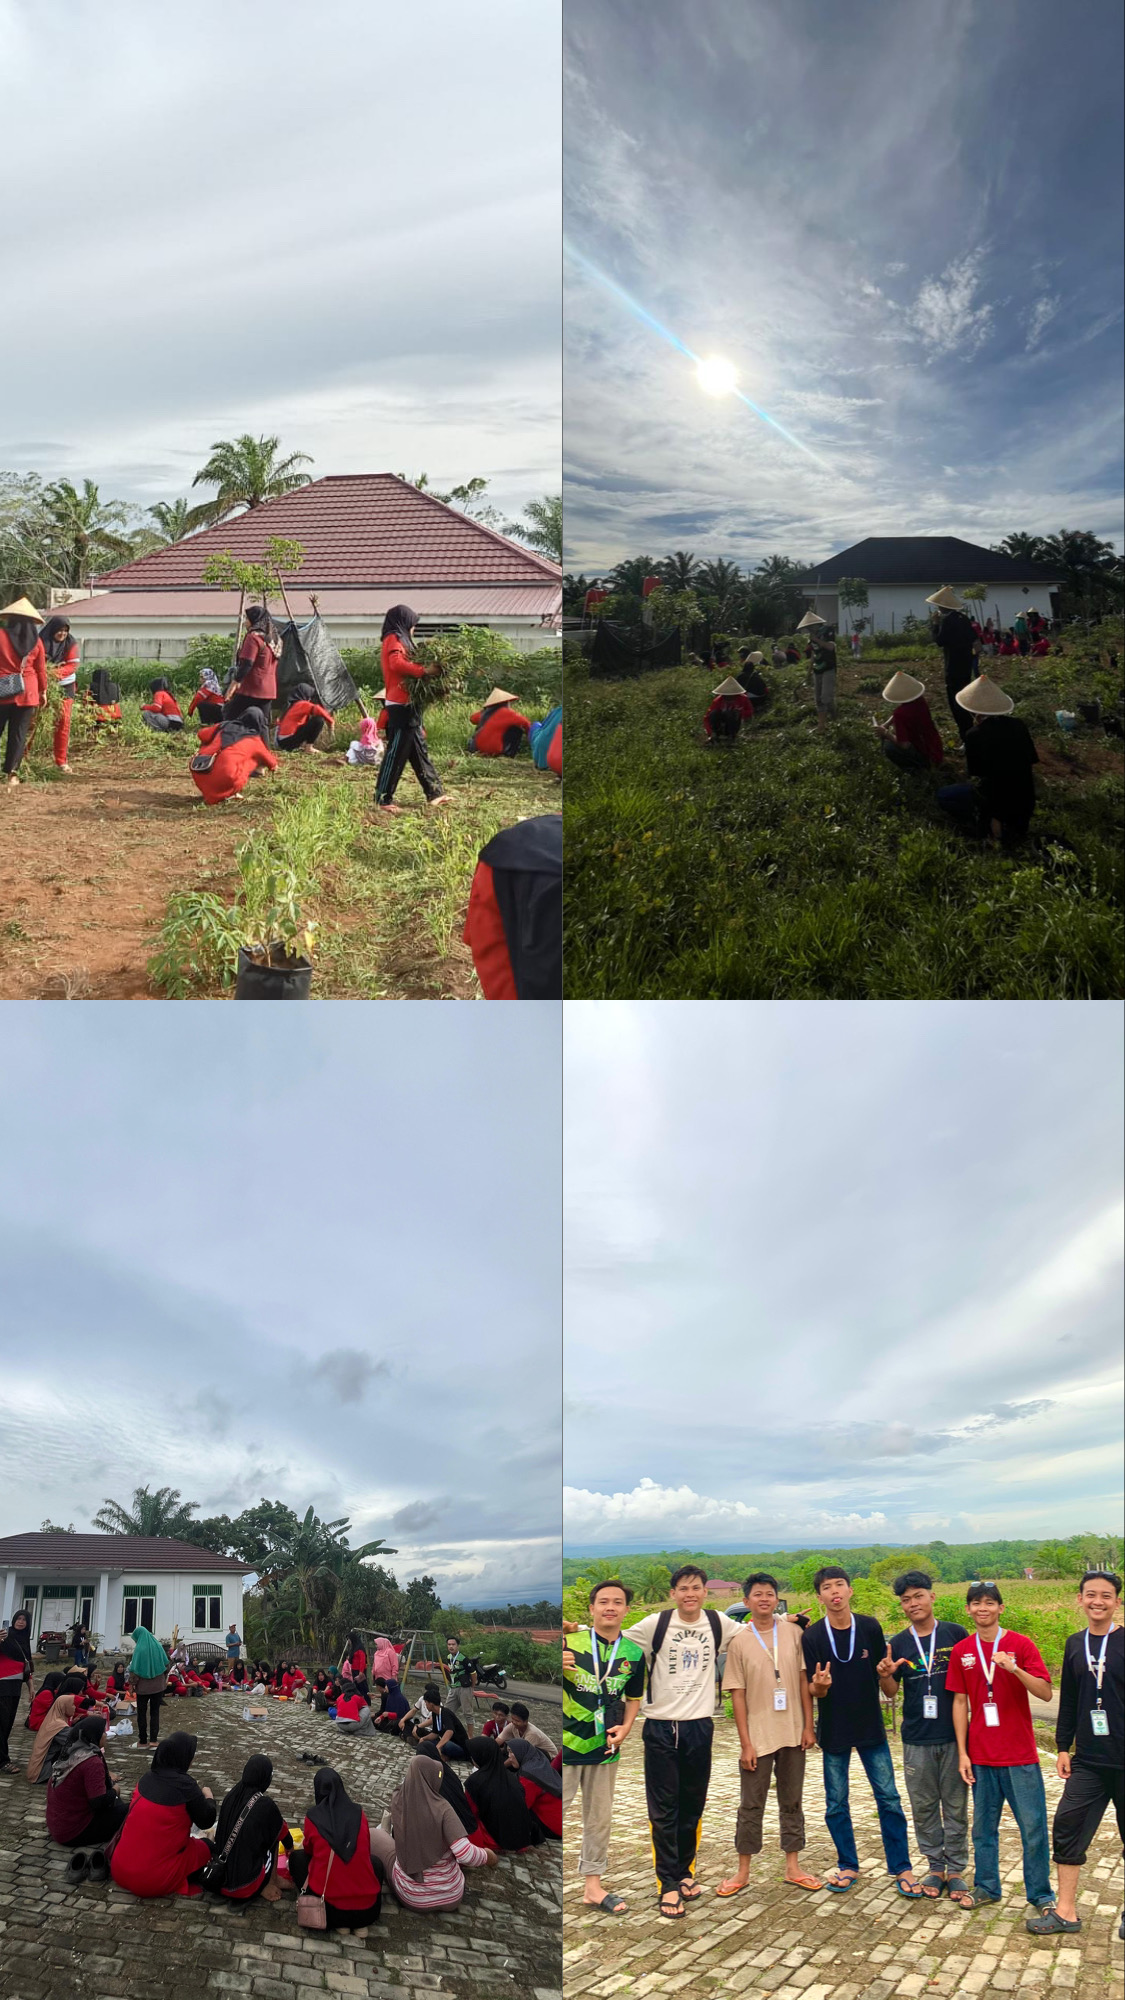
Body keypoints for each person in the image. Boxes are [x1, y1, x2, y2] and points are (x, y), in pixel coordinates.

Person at [624, 1564, 746, 1919]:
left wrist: (792, 1625)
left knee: (692, 1805)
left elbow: (756, 1633)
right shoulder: (655, 1625)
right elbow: (614, 1640)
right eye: (682, 1588)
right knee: (664, 1811)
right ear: (673, 1593)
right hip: (661, 1728)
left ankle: (685, 1872)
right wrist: (575, 1637)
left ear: (705, 1591)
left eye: (696, 1587)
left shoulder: (718, 1623)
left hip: (699, 1726)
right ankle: (668, 1885)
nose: (689, 1593)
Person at [801, 1566, 918, 1895]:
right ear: (819, 1596)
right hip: (834, 1731)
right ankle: (848, 1864)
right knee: (836, 1803)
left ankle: (902, 1867)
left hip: (870, 1728)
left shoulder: (869, 1627)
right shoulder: (812, 1637)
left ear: (850, 1590)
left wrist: (885, 1674)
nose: (835, 1591)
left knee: (889, 1799)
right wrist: (819, 1686)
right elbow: (814, 1691)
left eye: (840, 1585)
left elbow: (890, 1689)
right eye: (827, 1587)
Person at [946, 1581, 1054, 1914]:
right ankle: (988, 1887)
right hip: (981, 1756)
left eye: (990, 1603)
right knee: (983, 1830)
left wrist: (1014, 1668)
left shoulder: (1020, 1645)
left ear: (1000, 1608)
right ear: (968, 1609)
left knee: (1033, 1828)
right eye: (976, 1603)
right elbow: (960, 1702)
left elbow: (1046, 1693)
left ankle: (1041, 1894)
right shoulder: (963, 1650)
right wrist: (963, 1753)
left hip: (1020, 1755)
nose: (983, 1608)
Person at [1027, 1571, 1123, 1936]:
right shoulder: (1073, 1643)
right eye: (1090, 1594)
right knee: (1067, 1825)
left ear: (1117, 1601)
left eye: (1106, 1595)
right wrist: (1063, 1746)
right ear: (1080, 1599)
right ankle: (1066, 1912)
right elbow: (1069, 1701)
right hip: (1089, 1761)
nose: (1097, 1601)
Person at [717, 1573, 821, 1898]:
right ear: (746, 1602)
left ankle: (793, 1867)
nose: (764, 1599)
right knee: (751, 1805)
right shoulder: (740, 1641)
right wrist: (745, 1743)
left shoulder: (794, 1633)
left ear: (777, 1599)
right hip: (758, 1738)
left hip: (793, 1733)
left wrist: (808, 1725)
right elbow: (736, 1694)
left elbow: (805, 1682)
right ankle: (742, 1871)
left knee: (792, 1802)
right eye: (757, 1595)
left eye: (770, 1594)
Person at [877, 1571, 971, 1902]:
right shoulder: (899, 1642)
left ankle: (957, 1869)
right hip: (916, 1736)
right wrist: (885, 1676)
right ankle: (935, 1866)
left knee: (956, 1805)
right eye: (906, 1599)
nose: (913, 1603)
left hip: (953, 1736)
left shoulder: (955, 1633)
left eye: (918, 1596)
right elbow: (891, 1691)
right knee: (924, 1806)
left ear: (932, 1597)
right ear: (901, 1606)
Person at [562, 1577, 646, 1916]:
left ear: (626, 1609)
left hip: (606, 1747)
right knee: (555, 1809)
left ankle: (593, 1886)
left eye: (617, 1602)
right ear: (592, 1608)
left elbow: (633, 1699)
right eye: (603, 1602)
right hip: (567, 1745)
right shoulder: (569, 1643)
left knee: (599, 1819)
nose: (610, 1607)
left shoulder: (634, 1654)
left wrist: (626, 1728)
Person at [370, 1752, 497, 1910]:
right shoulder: (443, 1809)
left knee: (374, 1835)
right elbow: (465, 1854)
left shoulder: (398, 1799)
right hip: (450, 1894)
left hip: (413, 1896)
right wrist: (488, 1856)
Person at [109, 1731, 216, 1898]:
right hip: (154, 1879)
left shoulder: (147, 1778)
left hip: (120, 1867)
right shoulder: (186, 1786)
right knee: (208, 1847)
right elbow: (206, 1820)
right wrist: (209, 1798)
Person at [937, 675, 1039, 844]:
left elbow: (978, 775)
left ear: (973, 709)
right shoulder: (1019, 724)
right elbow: (1031, 760)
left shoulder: (974, 735)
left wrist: (994, 814)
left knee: (943, 795)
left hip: (997, 801)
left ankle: (982, 822)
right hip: (1025, 800)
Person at [373, 604, 448, 813]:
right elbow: (396, 664)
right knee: (396, 753)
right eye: (413, 625)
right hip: (400, 704)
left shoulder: (402, 640)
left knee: (418, 750)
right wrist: (424, 671)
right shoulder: (393, 639)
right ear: (404, 622)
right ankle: (383, 798)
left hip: (409, 703)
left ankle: (435, 792)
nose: (413, 629)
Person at [289, 1767, 381, 1934]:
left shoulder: (313, 1817)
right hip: (368, 1911)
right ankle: (359, 1926)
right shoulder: (359, 1814)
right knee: (376, 1863)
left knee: (297, 1859)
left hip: (328, 1909)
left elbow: (309, 1850)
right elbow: (365, 1850)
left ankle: (341, 1925)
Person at [212, 1753, 294, 1904]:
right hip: (245, 1885)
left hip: (220, 1878)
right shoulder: (264, 1805)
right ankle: (271, 1881)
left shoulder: (231, 1796)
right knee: (274, 1833)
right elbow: (283, 1832)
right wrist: (290, 1848)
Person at [45, 1713, 129, 1852]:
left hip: (58, 1825)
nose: (105, 1736)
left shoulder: (71, 1752)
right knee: (131, 1810)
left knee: (116, 1802)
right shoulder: (91, 1762)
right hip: (73, 1831)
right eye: (102, 1732)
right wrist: (115, 1791)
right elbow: (98, 1802)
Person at [464, 1737, 547, 1851]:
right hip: (520, 1837)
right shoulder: (511, 1777)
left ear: (480, 1756)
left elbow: (469, 1812)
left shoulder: (475, 1781)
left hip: (493, 1839)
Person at [0, 597, 48, 784]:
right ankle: (12, 775)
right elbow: (41, 670)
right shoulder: (36, 643)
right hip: (28, 693)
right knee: (18, 734)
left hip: (2, 691)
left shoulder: (1, 635)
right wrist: (43, 692)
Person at [190, 705, 278, 804]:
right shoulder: (254, 739)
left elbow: (202, 734)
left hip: (200, 769)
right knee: (252, 759)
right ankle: (228, 793)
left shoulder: (223, 726)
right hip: (226, 777)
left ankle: (212, 791)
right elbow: (272, 764)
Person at [926, 587, 980, 740]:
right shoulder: (963, 618)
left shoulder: (947, 620)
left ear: (943, 606)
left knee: (956, 702)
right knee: (966, 697)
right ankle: (973, 730)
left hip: (953, 666)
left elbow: (939, 641)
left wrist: (935, 624)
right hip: (965, 665)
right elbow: (973, 638)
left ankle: (966, 736)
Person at [873, 671, 945, 771]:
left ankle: (917, 770)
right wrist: (887, 724)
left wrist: (886, 734)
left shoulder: (900, 714)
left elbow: (904, 745)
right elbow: (901, 710)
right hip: (935, 749)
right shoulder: (920, 701)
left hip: (925, 756)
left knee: (889, 747)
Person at [38, 614, 80, 770]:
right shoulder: (40, 641)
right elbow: (35, 662)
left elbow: (71, 667)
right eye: (59, 630)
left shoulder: (71, 643)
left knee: (63, 722)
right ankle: (22, 758)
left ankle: (61, 761)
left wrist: (51, 674)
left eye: (65, 630)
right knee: (32, 722)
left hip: (64, 687)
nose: (62, 633)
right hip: (41, 686)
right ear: (52, 629)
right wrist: (44, 677)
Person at [227, 605, 279, 729]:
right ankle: (263, 748)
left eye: (247, 619)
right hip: (269, 689)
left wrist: (234, 683)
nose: (245, 623)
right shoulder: (274, 639)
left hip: (251, 687)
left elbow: (247, 663)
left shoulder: (253, 638)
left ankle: (226, 745)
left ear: (254, 620)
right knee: (262, 724)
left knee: (230, 717)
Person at [506, 1735, 562, 1837]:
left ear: (520, 1752)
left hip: (553, 1827)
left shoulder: (529, 1777)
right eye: (508, 1752)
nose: (509, 1756)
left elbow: (521, 1806)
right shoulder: (539, 1762)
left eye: (511, 1752)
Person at [0, 1609, 34, 1772]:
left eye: (24, 1620)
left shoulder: (24, 1641)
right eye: (18, 1619)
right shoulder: (5, 1637)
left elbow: (27, 1667)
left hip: (15, 1688)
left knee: (7, 1725)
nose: (20, 1622)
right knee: (1, 1724)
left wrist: (31, 1687)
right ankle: (3, 1761)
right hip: (2, 1686)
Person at [126, 1626, 170, 1752]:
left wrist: (132, 1684)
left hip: (143, 1688)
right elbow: (166, 1664)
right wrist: (162, 1677)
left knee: (142, 1713)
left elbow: (134, 1670)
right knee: (155, 1713)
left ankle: (143, 1741)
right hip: (158, 1686)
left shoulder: (139, 1649)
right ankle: (154, 1741)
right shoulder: (158, 1646)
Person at [26, 1690, 80, 1784]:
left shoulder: (55, 1720)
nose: (75, 1708)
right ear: (64, 1707)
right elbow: (76, 1742)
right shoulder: (58, 1725)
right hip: (42, 1772)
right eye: (72, 1705)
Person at [468, 687, 532, 757]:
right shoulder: (507, 713)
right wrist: (530, 736)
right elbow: (525, 723)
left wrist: (485, 710)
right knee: (517, 730)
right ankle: (510, 753)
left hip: (476, 748)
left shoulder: (485, 713)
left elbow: (472, 719)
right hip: (494, 750)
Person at [413, 1686, 471, 1762]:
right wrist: (424, 1738)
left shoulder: (445, 1713)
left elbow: (450, 1731)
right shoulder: (435, 1713)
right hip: (446, 1742)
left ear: (431, 1704)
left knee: (445, 1745)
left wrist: (438, 1747)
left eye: (426, 1703)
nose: (425, 1705)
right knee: (427, 1743)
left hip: (458, 1746)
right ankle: (442, 1754)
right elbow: (435, 1733)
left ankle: (444, 1755)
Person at [277, 681, 334, 752]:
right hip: (287, 741)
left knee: (309, 723)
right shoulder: (301, 704)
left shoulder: (292, 705)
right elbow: (317, 709)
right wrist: (331, 721)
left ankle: (301, 746)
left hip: (282, 741)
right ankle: (309, 747)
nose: (310, 699)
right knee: (318, 720)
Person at [704, 675, 754, 744]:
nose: (728, 697)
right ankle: (716, 734)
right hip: (721, 722)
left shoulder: (743, 699)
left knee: (730, 714)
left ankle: (731, 735)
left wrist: (740, 713)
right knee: (714, 713)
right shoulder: (718, 700)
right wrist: (709, 732)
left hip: (735, 722)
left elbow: (750, 712)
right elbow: (707, 717)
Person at [810, 629, 838, 728]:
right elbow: (813, 654)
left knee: (825, 697)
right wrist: (809, 670)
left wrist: (817, 639)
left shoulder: (828, 636)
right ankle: (821, 724)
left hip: (828, 669)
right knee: (818, 699)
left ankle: (833, 714)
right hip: (817, 670)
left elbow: (831, 647)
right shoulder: (812, 639)